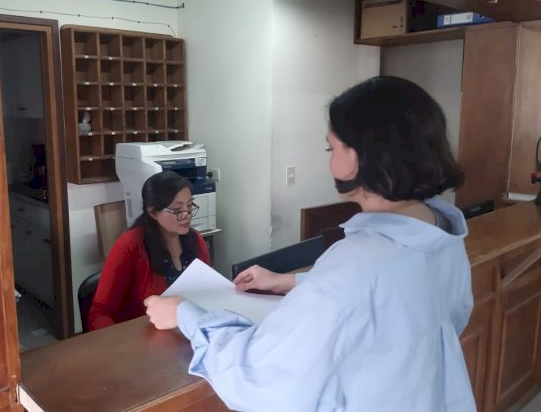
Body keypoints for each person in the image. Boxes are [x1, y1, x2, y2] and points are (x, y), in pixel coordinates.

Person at [144, 76, 476, 412]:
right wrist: (293, 282)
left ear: (360, 156)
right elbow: (394, 299)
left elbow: (262, 377)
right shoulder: (439, 229)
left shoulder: (356, 263)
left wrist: (186, 315)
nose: (329, 161)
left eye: (331, 148)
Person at [88, 171, 210, 331]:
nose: (187, 215)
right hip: (141, 336)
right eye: (177, 209)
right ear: (153, 212)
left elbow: (206, 293)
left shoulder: (196, 240)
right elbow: (99, 312)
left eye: (189, 205)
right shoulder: (130, 245)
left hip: (188, 333)